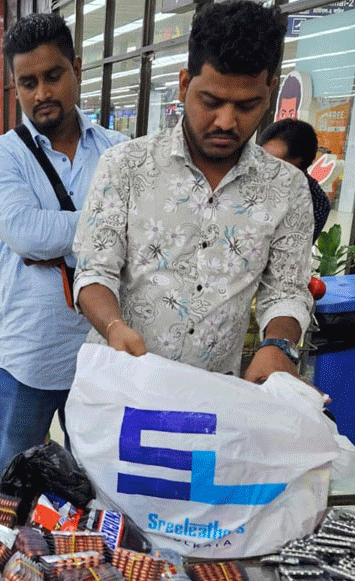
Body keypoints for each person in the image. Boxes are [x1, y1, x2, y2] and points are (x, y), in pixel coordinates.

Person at [73, 0, 314, 384]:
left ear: (270, 92)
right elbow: (93, 274)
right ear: (185, 84)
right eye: (211, 101)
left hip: (213, 394)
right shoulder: (126, 167)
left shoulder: (287, 188)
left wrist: (277, 347)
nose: (226, 121)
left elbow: (285, 291)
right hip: (122, 384)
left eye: (247, 105)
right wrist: (114, 325)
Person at [0, 13, 128, 487]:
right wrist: (108, 228)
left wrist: (60, 237)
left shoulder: (119, 151)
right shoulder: (0, 156)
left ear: (76, 68)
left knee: (101, 483)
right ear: (16, 87)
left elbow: (140, 233)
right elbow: (25, 232)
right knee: (10, 483)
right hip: (30, 352)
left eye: (53, 76)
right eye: (28, 82)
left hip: (105, 349)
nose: (42, 93)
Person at [261, 118, 331, 241]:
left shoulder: (315, 202)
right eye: (262, 158)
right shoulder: (243, 176)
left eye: (277, 164)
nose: (266, 167)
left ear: (303, 165)